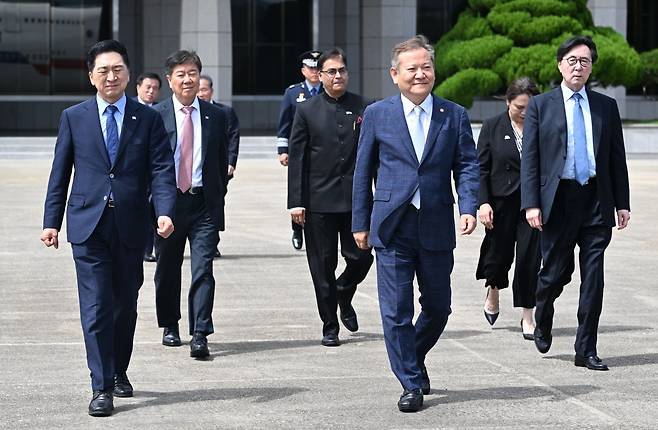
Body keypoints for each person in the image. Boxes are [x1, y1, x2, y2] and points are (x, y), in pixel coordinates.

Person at [41, 39, 176, 417]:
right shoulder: (74, 116)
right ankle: (101, 387)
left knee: (124, 305)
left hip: (131, 225)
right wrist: (51, 221)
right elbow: (60, 172)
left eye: (117, 69)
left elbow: (162, 169)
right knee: (97, 306)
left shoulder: (147, 118)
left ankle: (118, 370)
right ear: (91, 77)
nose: (111, 76)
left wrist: (164, 211)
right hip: (87, 226)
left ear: (128, 74)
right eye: (103, 70)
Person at [352, 35, 479, 412]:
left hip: (437, 222)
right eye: (412, 68)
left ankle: (412, 356)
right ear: (395, 74)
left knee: (439, 307)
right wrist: (361, 222)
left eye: (427, 67)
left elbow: (467, 165)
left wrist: (469, 206)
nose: (420, 74)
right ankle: (410, 382)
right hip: (393, 224)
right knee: (395, 310)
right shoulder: (378, 114)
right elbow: (363, 172)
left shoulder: (453, 115)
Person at [521, 36, 631, 371]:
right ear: (559, 65)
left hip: (596, 199)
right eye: (571, 60)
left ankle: (586, 348)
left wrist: (622, 203)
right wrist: (532, 204)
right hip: (558, 200)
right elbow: (532, 160)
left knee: (594, 277)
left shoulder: (605, 106)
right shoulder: (541, 105)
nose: (577, 66)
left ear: (591, 67)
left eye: (584, 61)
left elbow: (616, 157)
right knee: (554, 273)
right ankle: (543, 312)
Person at [288, 48, 374, 347]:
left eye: (342, 71)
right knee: (322, 265)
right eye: (331, 72)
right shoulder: (306, 110)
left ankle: (344, 291)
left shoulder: (364, 107)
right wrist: (295, 202)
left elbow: (375, 154)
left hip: (356, 201)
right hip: (318, 202)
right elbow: (297, 158)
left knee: (362, 257)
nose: (337, 76)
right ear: (320, 75)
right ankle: (329, 324)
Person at [153, 50, 229, 359]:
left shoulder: (215, 116)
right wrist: (156, 206)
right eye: (181, 74)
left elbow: (221, 161)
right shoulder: (155, 116)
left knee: (203, 269)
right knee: (167, 268)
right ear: (170, 80)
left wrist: (217, 197)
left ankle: (200, 332)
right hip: (168, 205)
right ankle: (170, 323)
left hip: (203, 205)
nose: (188, 79)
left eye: (193, 73)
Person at [476, 77, 541, 340]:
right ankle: (493, 290)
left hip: (531, 206)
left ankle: (528, 314)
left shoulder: (541, 126)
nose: (524, 113)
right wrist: (482, 202)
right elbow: (480, 168)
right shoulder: (493, 126)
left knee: (529, 259)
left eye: (529, 107)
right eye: (519, 107)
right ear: (507, 102)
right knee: (498, 255)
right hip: (500, 202)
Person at [276, 50, 322, 250]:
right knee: (298, 190)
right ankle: (297, 228)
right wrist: (283, 149)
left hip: (322, 150)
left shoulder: (328, 91)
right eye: (311, 68)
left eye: (317, 68)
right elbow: (284, 123)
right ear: (303, 71)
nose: (314, 72)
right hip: (299, 150)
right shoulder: (293, 93)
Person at [198, 74, 240, 258]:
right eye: (198, 90)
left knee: (215, 204)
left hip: (218, 169)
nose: (200, 93)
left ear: (211, 91)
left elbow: (232, 138)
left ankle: (212, 242)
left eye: (204, 89)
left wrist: (231, 162)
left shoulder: (224, 112)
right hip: (195, 172)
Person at [133, 72, 163, 262]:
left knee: (154, 211)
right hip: (133, 173)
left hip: (155, 171)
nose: (151, 91)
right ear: (138, 87)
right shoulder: (127, 108)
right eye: (148, 87)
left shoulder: (161, 111)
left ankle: (148, 249)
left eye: (155, 88)